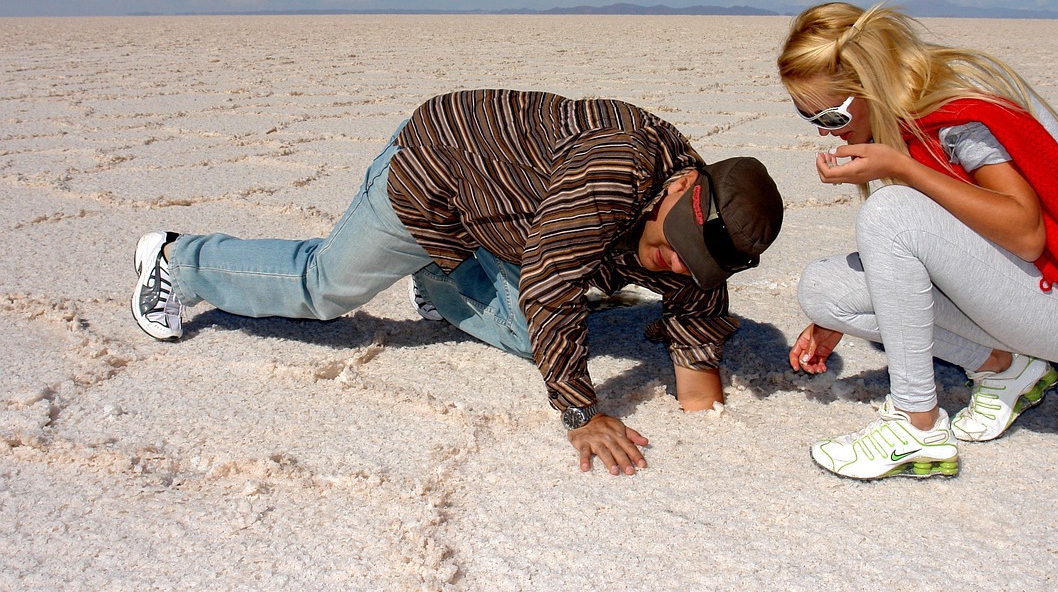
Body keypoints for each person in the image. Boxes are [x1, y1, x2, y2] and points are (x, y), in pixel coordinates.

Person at [131, 89, 784, 476]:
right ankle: (177, 259)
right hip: (435, 172)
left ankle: (444, 277)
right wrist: (583, 415)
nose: (676, 264)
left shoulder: (709, 227)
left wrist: (704, 417)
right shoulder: (610, 176)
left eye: (695, 261)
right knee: (325, 289)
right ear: (677, 189)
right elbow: (552, 289)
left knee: (539, 345)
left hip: (510, 213)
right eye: (679, 246)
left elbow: (697, 322)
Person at [777, 3, 1058, 480]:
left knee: (890, 212)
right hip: (1015, 293)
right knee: (824, 290)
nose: (827, 132)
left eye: (830, 116)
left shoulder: (957, 122)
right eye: (808, 118)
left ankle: (918, 428)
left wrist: (901, 169)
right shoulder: (907, 126)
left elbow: (1027, 233)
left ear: (870, 87)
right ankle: (1006, 367)